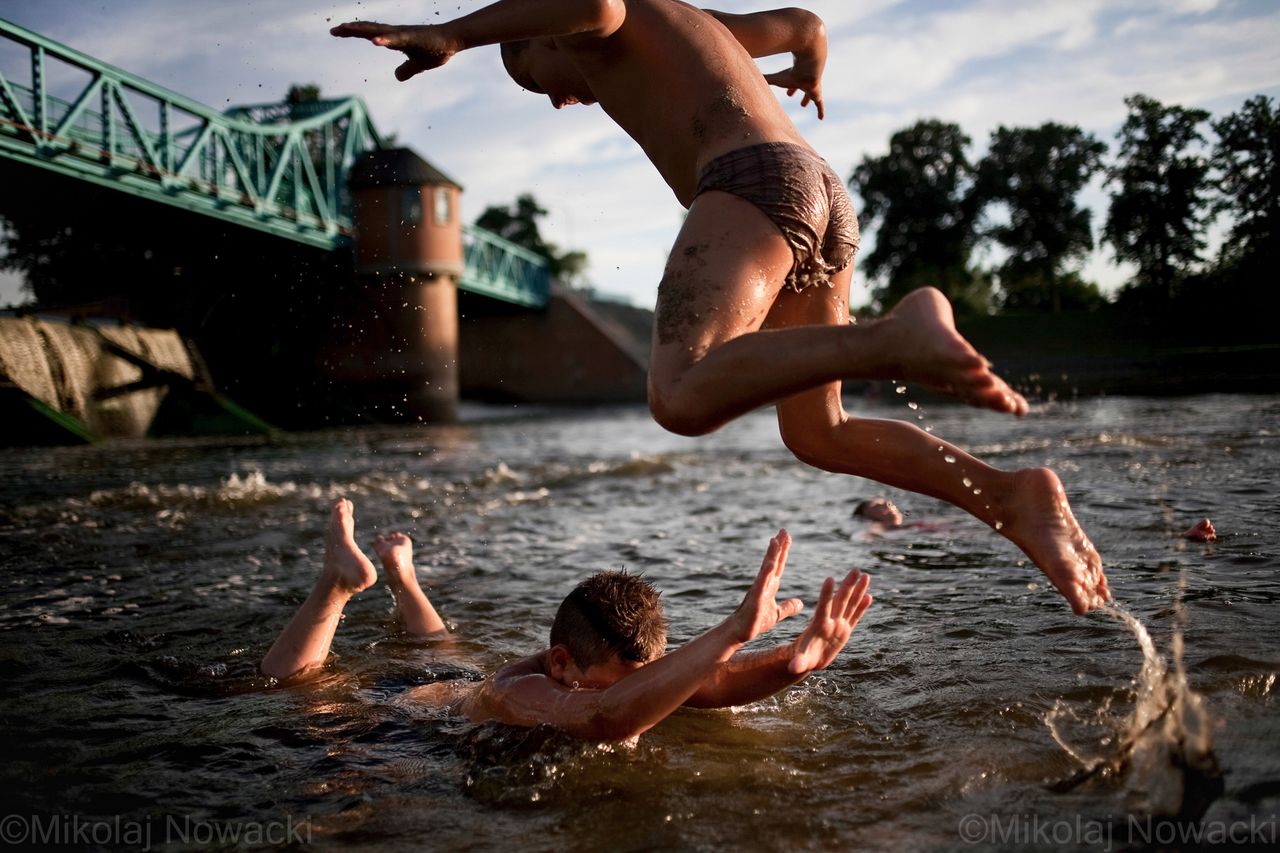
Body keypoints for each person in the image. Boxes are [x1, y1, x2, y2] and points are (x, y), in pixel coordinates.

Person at [330, 0, 1110, 614]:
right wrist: (809, 72)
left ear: (546, 34)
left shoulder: (605, 19)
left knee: (678, 391)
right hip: (822, 192)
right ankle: (1008, 494)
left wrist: (455, 36)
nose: (562, 99)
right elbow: (807, 26)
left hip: (753, 183)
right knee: (819, 431)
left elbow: (592, 5)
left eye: (538, 75)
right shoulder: (700, 24)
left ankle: (894, 337)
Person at [261, 499, 873, 741]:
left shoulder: (609, 670)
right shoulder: (522, 692)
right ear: (561, 664)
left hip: (454, 678)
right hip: (406, 712)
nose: (640, 691)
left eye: (642, 677)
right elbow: (606, 715)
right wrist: (734, 629)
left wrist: (795, 663)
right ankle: (337, 586)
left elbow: (707, 682)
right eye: (621, 681)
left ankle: (403, 575)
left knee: (440, 646)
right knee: (301, 697)